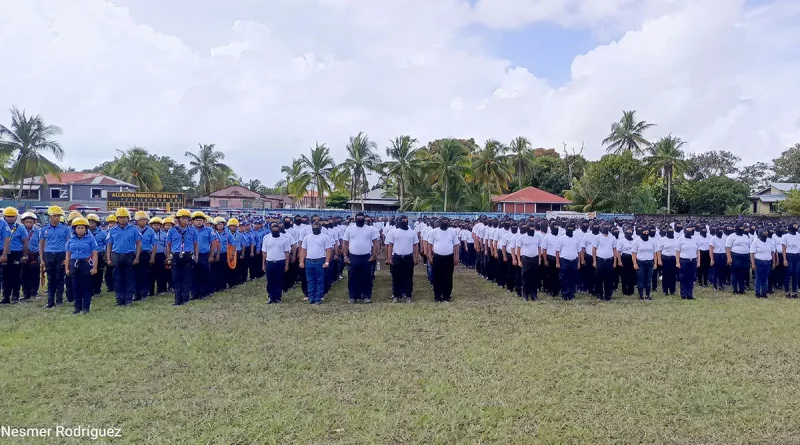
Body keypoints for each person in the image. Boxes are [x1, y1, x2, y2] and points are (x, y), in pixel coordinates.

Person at [105, 208, 142, 306]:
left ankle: (128, 299)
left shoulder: (134, 229)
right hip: (116, 255)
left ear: (128, 218)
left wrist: (137, 257)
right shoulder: (112, 230)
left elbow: (138, 244)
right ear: (117, 218)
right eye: (120, 217)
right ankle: (119, 300)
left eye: (124, 217)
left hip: (129, 255)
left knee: (129, 278)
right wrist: (108, 258)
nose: (122, 219)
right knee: (117, 279)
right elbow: (109, 245)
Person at [343, 212, 380, 304]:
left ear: (364, 219)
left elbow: (375, 242)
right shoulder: (349, 229)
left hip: (366, 257)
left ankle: (366, 296)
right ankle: (353, 296)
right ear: (355, 219)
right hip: (353, 257)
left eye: (361, 218)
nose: (360, 219)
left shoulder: (370, 229)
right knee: (352, 277)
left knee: (367, 277)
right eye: (358, 218)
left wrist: (373, 255)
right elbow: (345, 243)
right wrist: (345, 256)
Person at [64, 217, 99, 314]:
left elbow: (95, 254)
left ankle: (86, 308)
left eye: (82, 228)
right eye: (78, 228)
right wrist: (67, 268)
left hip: (86, 264)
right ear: (74, 229)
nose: (80, 230)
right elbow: (67, 255)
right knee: (75, 287)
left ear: (86, 229)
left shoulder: (91, 239)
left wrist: (95, 267)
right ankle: (77, 308)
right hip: (74, 264)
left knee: (86, 287)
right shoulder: (71, 240)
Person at [39, 206, 71, 308]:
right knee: (50, 278)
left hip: (61, 254)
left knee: (60, 278)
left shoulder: (66, 229)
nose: (56, 218)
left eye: (58, 216)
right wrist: (42, 258)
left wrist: (67, 258)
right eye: (54, 216)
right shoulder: (44, 229)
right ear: (49, 217)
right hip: (48, 254)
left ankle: (59, 301)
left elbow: (69, 244)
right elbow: (41, 244)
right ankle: (50, 302)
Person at [166, 209, 198, 306]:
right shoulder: (171, 231)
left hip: (188, 255)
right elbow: (168, 245)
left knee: (187, 279)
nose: (185, 221)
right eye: (183, 218)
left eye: (187, 219)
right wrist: (168, 257)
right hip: (176, 255)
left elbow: (196, 244)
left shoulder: (193, 231)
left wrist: (196, 256)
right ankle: (177, 300)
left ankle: (186, 300)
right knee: (176, 279)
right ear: (178, 219)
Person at [386, 215, 419, 303]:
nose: (405, 221)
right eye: (403, 220)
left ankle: (408, 296)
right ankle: (396, 296)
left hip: (408, 257)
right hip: (397, 257)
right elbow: (390, 246)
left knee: (408, 277)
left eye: (406, 220)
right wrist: (389, 258)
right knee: (396, 278)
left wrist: (416, 257)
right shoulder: (394, 232)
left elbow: (416, 246)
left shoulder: (412, 232)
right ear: (399, 221)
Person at [426, 217, 460, 303]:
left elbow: (456, 245)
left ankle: (447, 296)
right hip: (437, 257)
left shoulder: (452, 232)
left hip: (449, 258)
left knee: (448, 277)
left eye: (446, 222)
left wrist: (456, 257)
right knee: (437, 277)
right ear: (439, 222)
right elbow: (429, 245)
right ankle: (437, 296)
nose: (445, 223)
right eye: (443, 221)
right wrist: (430, 256)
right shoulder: (434, 232)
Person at [299, 220, 332, 305]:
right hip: (309, 261)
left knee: (319, 280)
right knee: (310, 280)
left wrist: (327, 262)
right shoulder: (307, 237)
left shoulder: (325, 237)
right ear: (312, 228)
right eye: (314, 227)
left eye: (317, 227)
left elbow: (328, 250)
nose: (315, 228)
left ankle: (318, 298)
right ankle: (311, 297)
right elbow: (303, 250)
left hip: (320, 261)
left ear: (321, 228)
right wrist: (302, 262)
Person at [1, 207, 28, 304]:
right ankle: (6, 296)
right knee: (5, 275)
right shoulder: (2, 226)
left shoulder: (20, 227)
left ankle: (15, 295)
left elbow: (25, 242)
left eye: (12, 216)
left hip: (16, 253)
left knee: (15, 275)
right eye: (8, 216)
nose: (10, 218)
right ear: (4, 217)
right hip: (3, 252)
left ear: (16, 217)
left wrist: (25, 255)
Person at [262, 222, 291, 304]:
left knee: (279, 280)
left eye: (277, 228)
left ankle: (278, 297)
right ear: (270, 230)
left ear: (279, 229)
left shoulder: (284, 239)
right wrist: (263, 264)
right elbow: (264, 253)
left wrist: (287, 264)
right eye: (273, 229)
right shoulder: (266, 239)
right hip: (269, 262)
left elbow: (287, 253)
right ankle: (271, 297)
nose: (275, 230)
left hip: (280, 262)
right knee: (270, 281)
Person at [133, 211, 156, 301]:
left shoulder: (150, 231)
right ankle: (136, 294)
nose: (143, 221)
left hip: (145, 255)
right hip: (134, 255)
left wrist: (152, 257)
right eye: (140, 219)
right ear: (136, 221)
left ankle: (144, 294)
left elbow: (154, 245)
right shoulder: (133, 230)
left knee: (144, 275)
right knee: (135, 275)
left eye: (144, 219)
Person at [516, 222, 541, 301]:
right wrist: (519, 260)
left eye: (533, 229)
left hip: (535, 259)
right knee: (525, 277)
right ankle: (525, 296)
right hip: (526, 259)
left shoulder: (537, 237)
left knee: (534, 277)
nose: (532, 231)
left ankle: (534, 295)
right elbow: (518, 249)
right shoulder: (522, 237)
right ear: (527, 229)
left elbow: (539, 248)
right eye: (530, 229)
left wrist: (539, 258)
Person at [555, 222, 580, 301]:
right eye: (568, 228)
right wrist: (557, 262)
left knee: (573, 278)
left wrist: (579, 262)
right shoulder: (561, 239)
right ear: (566, 229)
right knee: (564, 278)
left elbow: (579, 252)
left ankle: (571, 295)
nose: (570, 230)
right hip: (564, 261)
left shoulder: (576, 240)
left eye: (571, 228)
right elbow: (557, 251)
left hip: (574, 261)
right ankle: (565, 294)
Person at [192, 212, 214, 300]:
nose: (198, 222)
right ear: (193, 221)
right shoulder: (190, 230)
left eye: (200, 220)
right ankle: (194, 293)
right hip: (192, 255)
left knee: (204, 274)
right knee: (193, 275)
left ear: (204, 221)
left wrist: (212, 255)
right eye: (196, 220)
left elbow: (213, 243)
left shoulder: (209, 230)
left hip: (204, 255)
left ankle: (204, 293)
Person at [592, 224, 617, 301]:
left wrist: (615, 262)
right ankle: (599, 295)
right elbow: (594, 250)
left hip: (609, 261)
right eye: (604, 227)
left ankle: (608, 296)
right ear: (601, 229)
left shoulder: (612, 238)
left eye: (607, 227)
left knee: (609, 279)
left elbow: (615, 250)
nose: (605, 229)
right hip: (600, 260)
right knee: (598, 278)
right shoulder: (597, 237)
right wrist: (594, 261)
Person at [632, 226, 657, 300]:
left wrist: (655, 263)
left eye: (647, 232)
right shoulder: (637, 241)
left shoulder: (652, 241)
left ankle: (648, 295)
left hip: (650, 263)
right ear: (641, 233)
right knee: (641, 280)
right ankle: (641, 295)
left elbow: (654, 253)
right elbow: (634, 253)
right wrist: (635, 263)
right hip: (641, 263)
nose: (646, 233)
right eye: (644, 232)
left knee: (648, 280)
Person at [19, 212, 40, 301]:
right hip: (23, 254)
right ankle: (26, 293)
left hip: (34, 255)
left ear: (34, 222)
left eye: (30, 222)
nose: (28, 224)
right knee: (23, 275)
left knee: (34, 275)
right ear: (23, 222)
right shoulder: (19, 230)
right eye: (26, 222)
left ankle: (33, 293)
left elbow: (42, 243)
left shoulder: (39, 231)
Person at [675, 226, 700, 300]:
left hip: (693, 260)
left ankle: (690, 294)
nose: (689, 231)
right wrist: (677, 262)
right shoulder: (680, 240)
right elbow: (677, 252)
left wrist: (698, 261)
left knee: (691, 278)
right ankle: (683, 294)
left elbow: (698, 251)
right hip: (684, 261)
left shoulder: (695, 240)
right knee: (683, 278)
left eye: (690, 230)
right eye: (687, 230)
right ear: (684, 231)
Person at [751, 227, 776, 299]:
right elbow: (752, 253)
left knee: (765, 278)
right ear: (760, 234)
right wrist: (753, 263)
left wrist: (773, 262)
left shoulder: (769, 241)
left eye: (767, 233)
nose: (766, 234)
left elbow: (772, 252)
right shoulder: (756, 242)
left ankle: (764, 293)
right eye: (764, 233)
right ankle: (758, 293)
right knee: (758, 278)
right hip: (759, 262)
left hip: (767, 262)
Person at [726, 223, 750, 295]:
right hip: (735, 256)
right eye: (740, 229)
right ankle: (735, 289)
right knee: (735, 273)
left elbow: (749, 246)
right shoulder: (731, 236)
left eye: (742, 229)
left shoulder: (746, 236)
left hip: (745, 256)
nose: (741, 230)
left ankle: (742, 289)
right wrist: (729, 258)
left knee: (743, 273)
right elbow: (727, 247)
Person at [150, 217, 169, 295]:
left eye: (158, 225)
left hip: (161, 255)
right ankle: (150, 290)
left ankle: (161, 290)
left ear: (161, 226)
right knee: (150, 274)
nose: (156, 226)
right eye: (154, 225)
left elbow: (167, 246)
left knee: (161, 273)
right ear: (151, 225)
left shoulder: (165, 235)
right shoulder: (149, 233)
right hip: (150, 255)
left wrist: (167, 257)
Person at [657, 226, 678, 296]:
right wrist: (659, 260)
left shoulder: (676, 239)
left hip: (674, 259)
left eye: (672, 230)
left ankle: (672, 290)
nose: (670, 231)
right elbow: (659, 251)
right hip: (665, 259)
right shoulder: (662, 239)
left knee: (673, 275)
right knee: (665, 275)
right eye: (669, 230)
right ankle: (665, 290)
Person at [616, 226, 636, 296]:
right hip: (624, 259)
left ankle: (631, 290)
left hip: (632, 259)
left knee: (632, 275)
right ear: (625, 232)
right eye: (627, 231)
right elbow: (618, 252)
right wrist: (619, 261)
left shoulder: (635, 241)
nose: (629, 233)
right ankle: (625, 291)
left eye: (630, 231)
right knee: (624, 276)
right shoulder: (621, 241)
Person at [781, 222, 800, 299]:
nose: (796, 227)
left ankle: (794, 292)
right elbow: (784, 249)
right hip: (789, 256)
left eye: (797, 226)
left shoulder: (799, 236)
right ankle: (787, 292)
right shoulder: (785, 236)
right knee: (788, 275)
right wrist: (785, 259)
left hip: (797, 256)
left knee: (796, 275)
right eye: (794, 226)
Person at [709, 226, 727, 291]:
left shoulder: (724, 238)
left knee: (722, 272)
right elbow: (711, 250)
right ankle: (715, 286)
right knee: (715, 272)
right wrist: (712, 259)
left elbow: (726, 248)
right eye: (719, 231)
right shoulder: (713, 239)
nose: (721, 233)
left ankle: (721, 285)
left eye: (721, 231)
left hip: (723, 255)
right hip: (716, 256)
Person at [104, 214, 117, 292]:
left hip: (116, 253)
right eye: (110, 222)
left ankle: (116, 286)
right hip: (107, 253)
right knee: (108, 271)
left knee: (115, 271)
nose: (112, 224)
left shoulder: (117, 231)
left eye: (113, 223)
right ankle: (109, 286)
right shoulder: (104, 233)